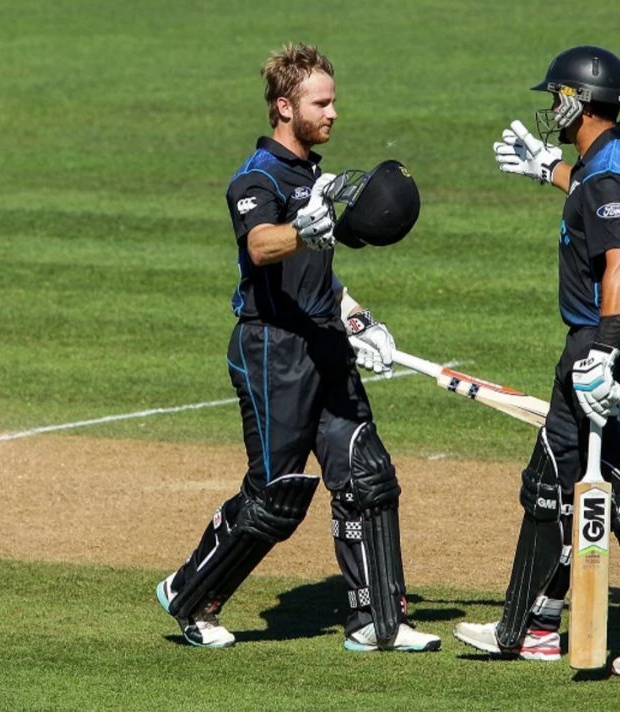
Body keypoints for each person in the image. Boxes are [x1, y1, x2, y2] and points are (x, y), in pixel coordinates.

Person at [154, 42, 440, 654]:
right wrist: (302, 229)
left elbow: (318, 279)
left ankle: (377, 622)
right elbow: (261, 246)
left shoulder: (315, 177)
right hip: (271, 350)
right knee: (276, 499)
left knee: (368, 476)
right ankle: (189, 591)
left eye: (334, 100)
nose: (334, 113)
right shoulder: (254, 179)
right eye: (322, 102)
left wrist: (360, 319)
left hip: (324, 340)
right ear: (285, 107)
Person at [454, 46, 620, 678]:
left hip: (619, 343)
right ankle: (533, 625)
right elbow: (602, 206)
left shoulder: (606, 177)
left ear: (577, 102)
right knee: (550, 478)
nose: (553, 110)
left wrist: (603, 352)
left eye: (556, 99)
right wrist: (552, 170)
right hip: (607, 341)